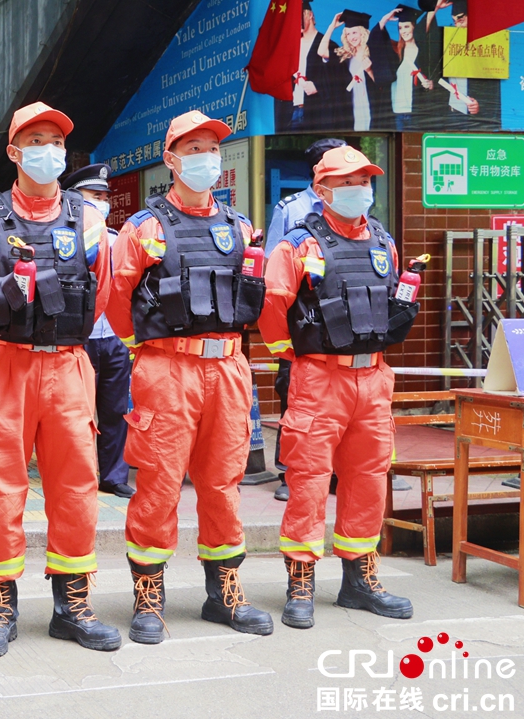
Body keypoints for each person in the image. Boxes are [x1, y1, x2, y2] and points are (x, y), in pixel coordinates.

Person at [0, 101, 120, 659]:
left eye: (56, 140)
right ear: (14, 151)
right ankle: (0, 604)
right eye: (36, 139)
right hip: (8, 364)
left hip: (70, 365)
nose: (49, 150)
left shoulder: (90, 219)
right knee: (3, 487)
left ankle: (73, 605)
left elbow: (107, 292)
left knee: (75, 487)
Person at [106, 110, 273, 644]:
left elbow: (255, 292)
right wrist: (148, 349)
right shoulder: (145, 227)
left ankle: (224, 593)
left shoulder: (241, 227)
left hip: (227, 367)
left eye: (213, 149)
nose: (206, 158)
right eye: (194, 149)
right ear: (172, 159)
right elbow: (115, 299)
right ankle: (148, 598)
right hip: (167, 370)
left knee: (224, 484)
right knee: (157, 483)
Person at [259, 145, 418, 630]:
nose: (359, 191)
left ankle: (360, 579)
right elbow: (272, 307)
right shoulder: (297, 246)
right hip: (319, 378)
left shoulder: (384, 242)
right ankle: (301, 580)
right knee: (307, 479)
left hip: (373, 377)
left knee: (368, 478)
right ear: (322, 190)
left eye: (365, 181)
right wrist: (295, 357)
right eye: (348, 183)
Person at [265, 138, 347, 503]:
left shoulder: (356, 212)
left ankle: (335, 471)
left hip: (344, 319)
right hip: (304, 320)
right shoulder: (292, 208)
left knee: (342, 403)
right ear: (318, 171)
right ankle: (289, 471)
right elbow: (273, 267)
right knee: (293, 397)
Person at [61, 163, 133, 499]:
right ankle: (77, 471)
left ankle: (113, 475)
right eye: (94, 196)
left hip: (115, 339)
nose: (102, 203)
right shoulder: (64, 239)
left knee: (115, 409)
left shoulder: (119, 240)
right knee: (74, 410)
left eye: (104, 197)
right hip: (79, 337)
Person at [424, 0, 501, 130]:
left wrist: (481, 105)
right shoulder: (449, 41)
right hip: (451, 113)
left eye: (461, 20)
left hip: (475, 118)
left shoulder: (488, 44)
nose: (457, 26)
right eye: (454, 22)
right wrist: (435, 8)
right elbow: (424, 37)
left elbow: (494, 84)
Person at [276, 1, 352, 132]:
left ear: (310, 15)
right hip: (292, 112)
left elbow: (342, 78)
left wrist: (318, 87)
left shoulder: (328, 45)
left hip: (317, 114)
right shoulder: (290, 47)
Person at [319, 11, 393, 132]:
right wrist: (331, 27)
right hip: (351, 104)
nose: (351, 37)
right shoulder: (345, 56)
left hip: (369, 103)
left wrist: (369, 70)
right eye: (348, 34)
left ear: (362, 33)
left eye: (354, 32)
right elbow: (321, 52)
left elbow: (382, 85)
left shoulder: (374, 53)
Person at [370, 6, 435, 131]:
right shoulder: (396, 51)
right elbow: (375, 40)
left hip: (415, 112)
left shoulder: (424, 51)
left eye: (406, 26)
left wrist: (430, 84)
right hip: (397, 112)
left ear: (414, 27)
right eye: (400, 27)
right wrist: (385, 19)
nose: (403, 31)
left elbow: (433, 79)